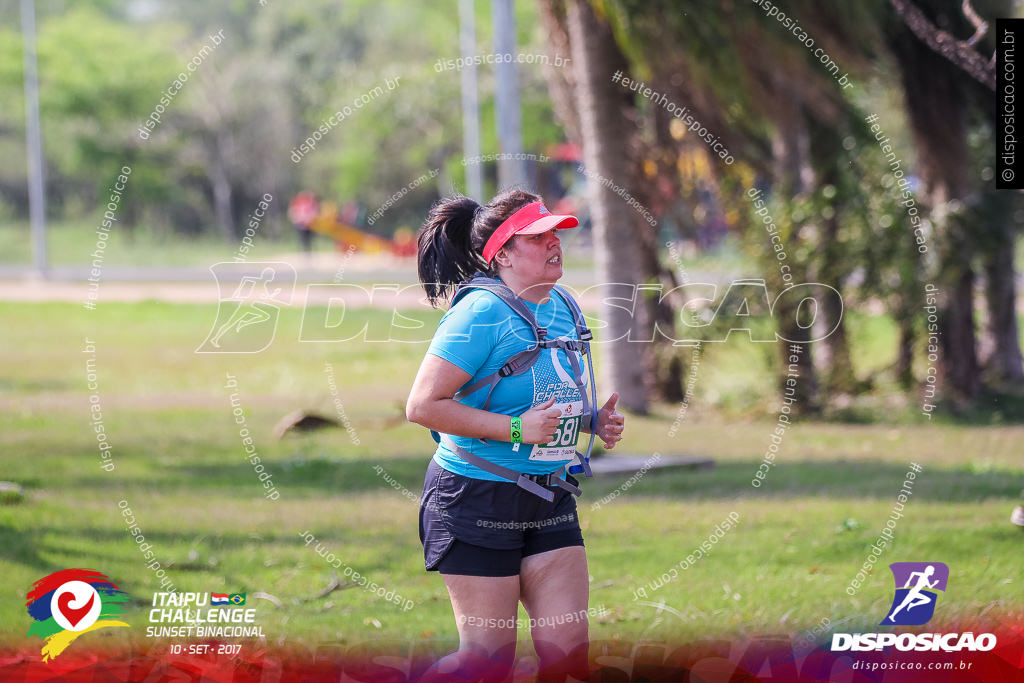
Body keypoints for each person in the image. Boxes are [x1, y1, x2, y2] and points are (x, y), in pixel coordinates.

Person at [406, 189, 625, 682]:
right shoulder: (478, 314)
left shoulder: (563, 304)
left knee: (569, 653)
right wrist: (515, 429)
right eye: (538, 237)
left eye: (556, 234)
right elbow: (422, 406)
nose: (555, 244)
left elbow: (535, 393)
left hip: (549, 494)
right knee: (486, 662)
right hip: (475, 497)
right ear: (503, 253)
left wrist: (590, 420)